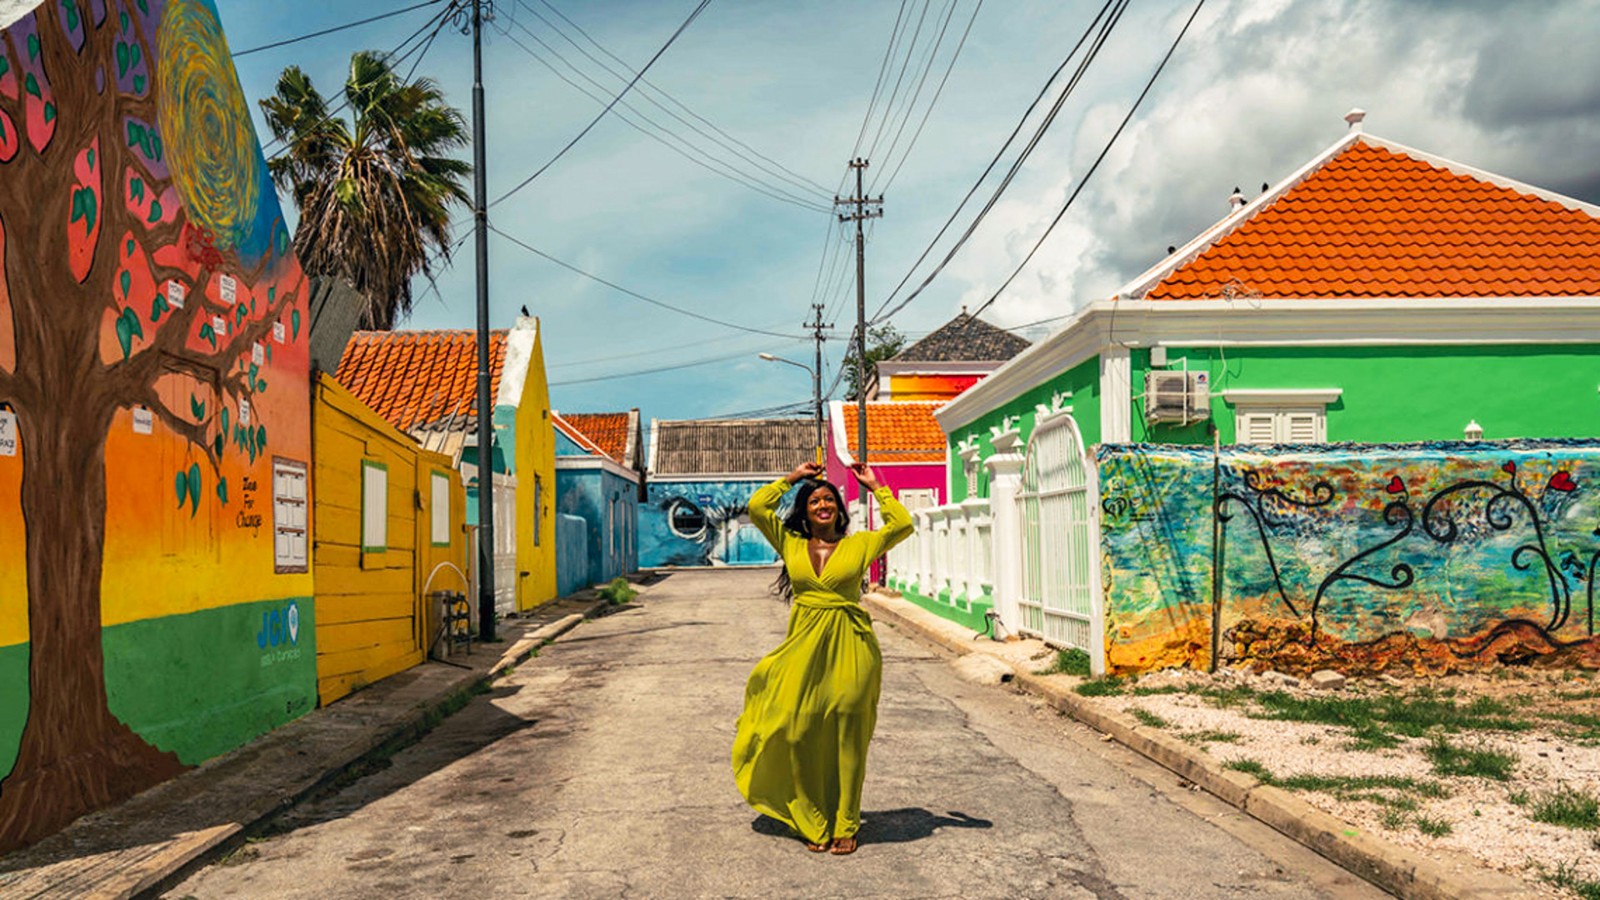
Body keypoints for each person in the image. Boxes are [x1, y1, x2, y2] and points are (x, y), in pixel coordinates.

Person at [731, 460, 914, 855]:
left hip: (852, 645)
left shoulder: (859, 544)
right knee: (799, 732)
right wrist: (794, 478)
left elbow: (902, 525)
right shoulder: (791, 543)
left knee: (848, 734)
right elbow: (758, 507)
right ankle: (814, 818)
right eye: (814, 501)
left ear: (839, 509)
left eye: (829, 499)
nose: (822, 505)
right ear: (806, 511)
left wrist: (875, 486)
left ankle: (846, 822)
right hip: (803, 649)